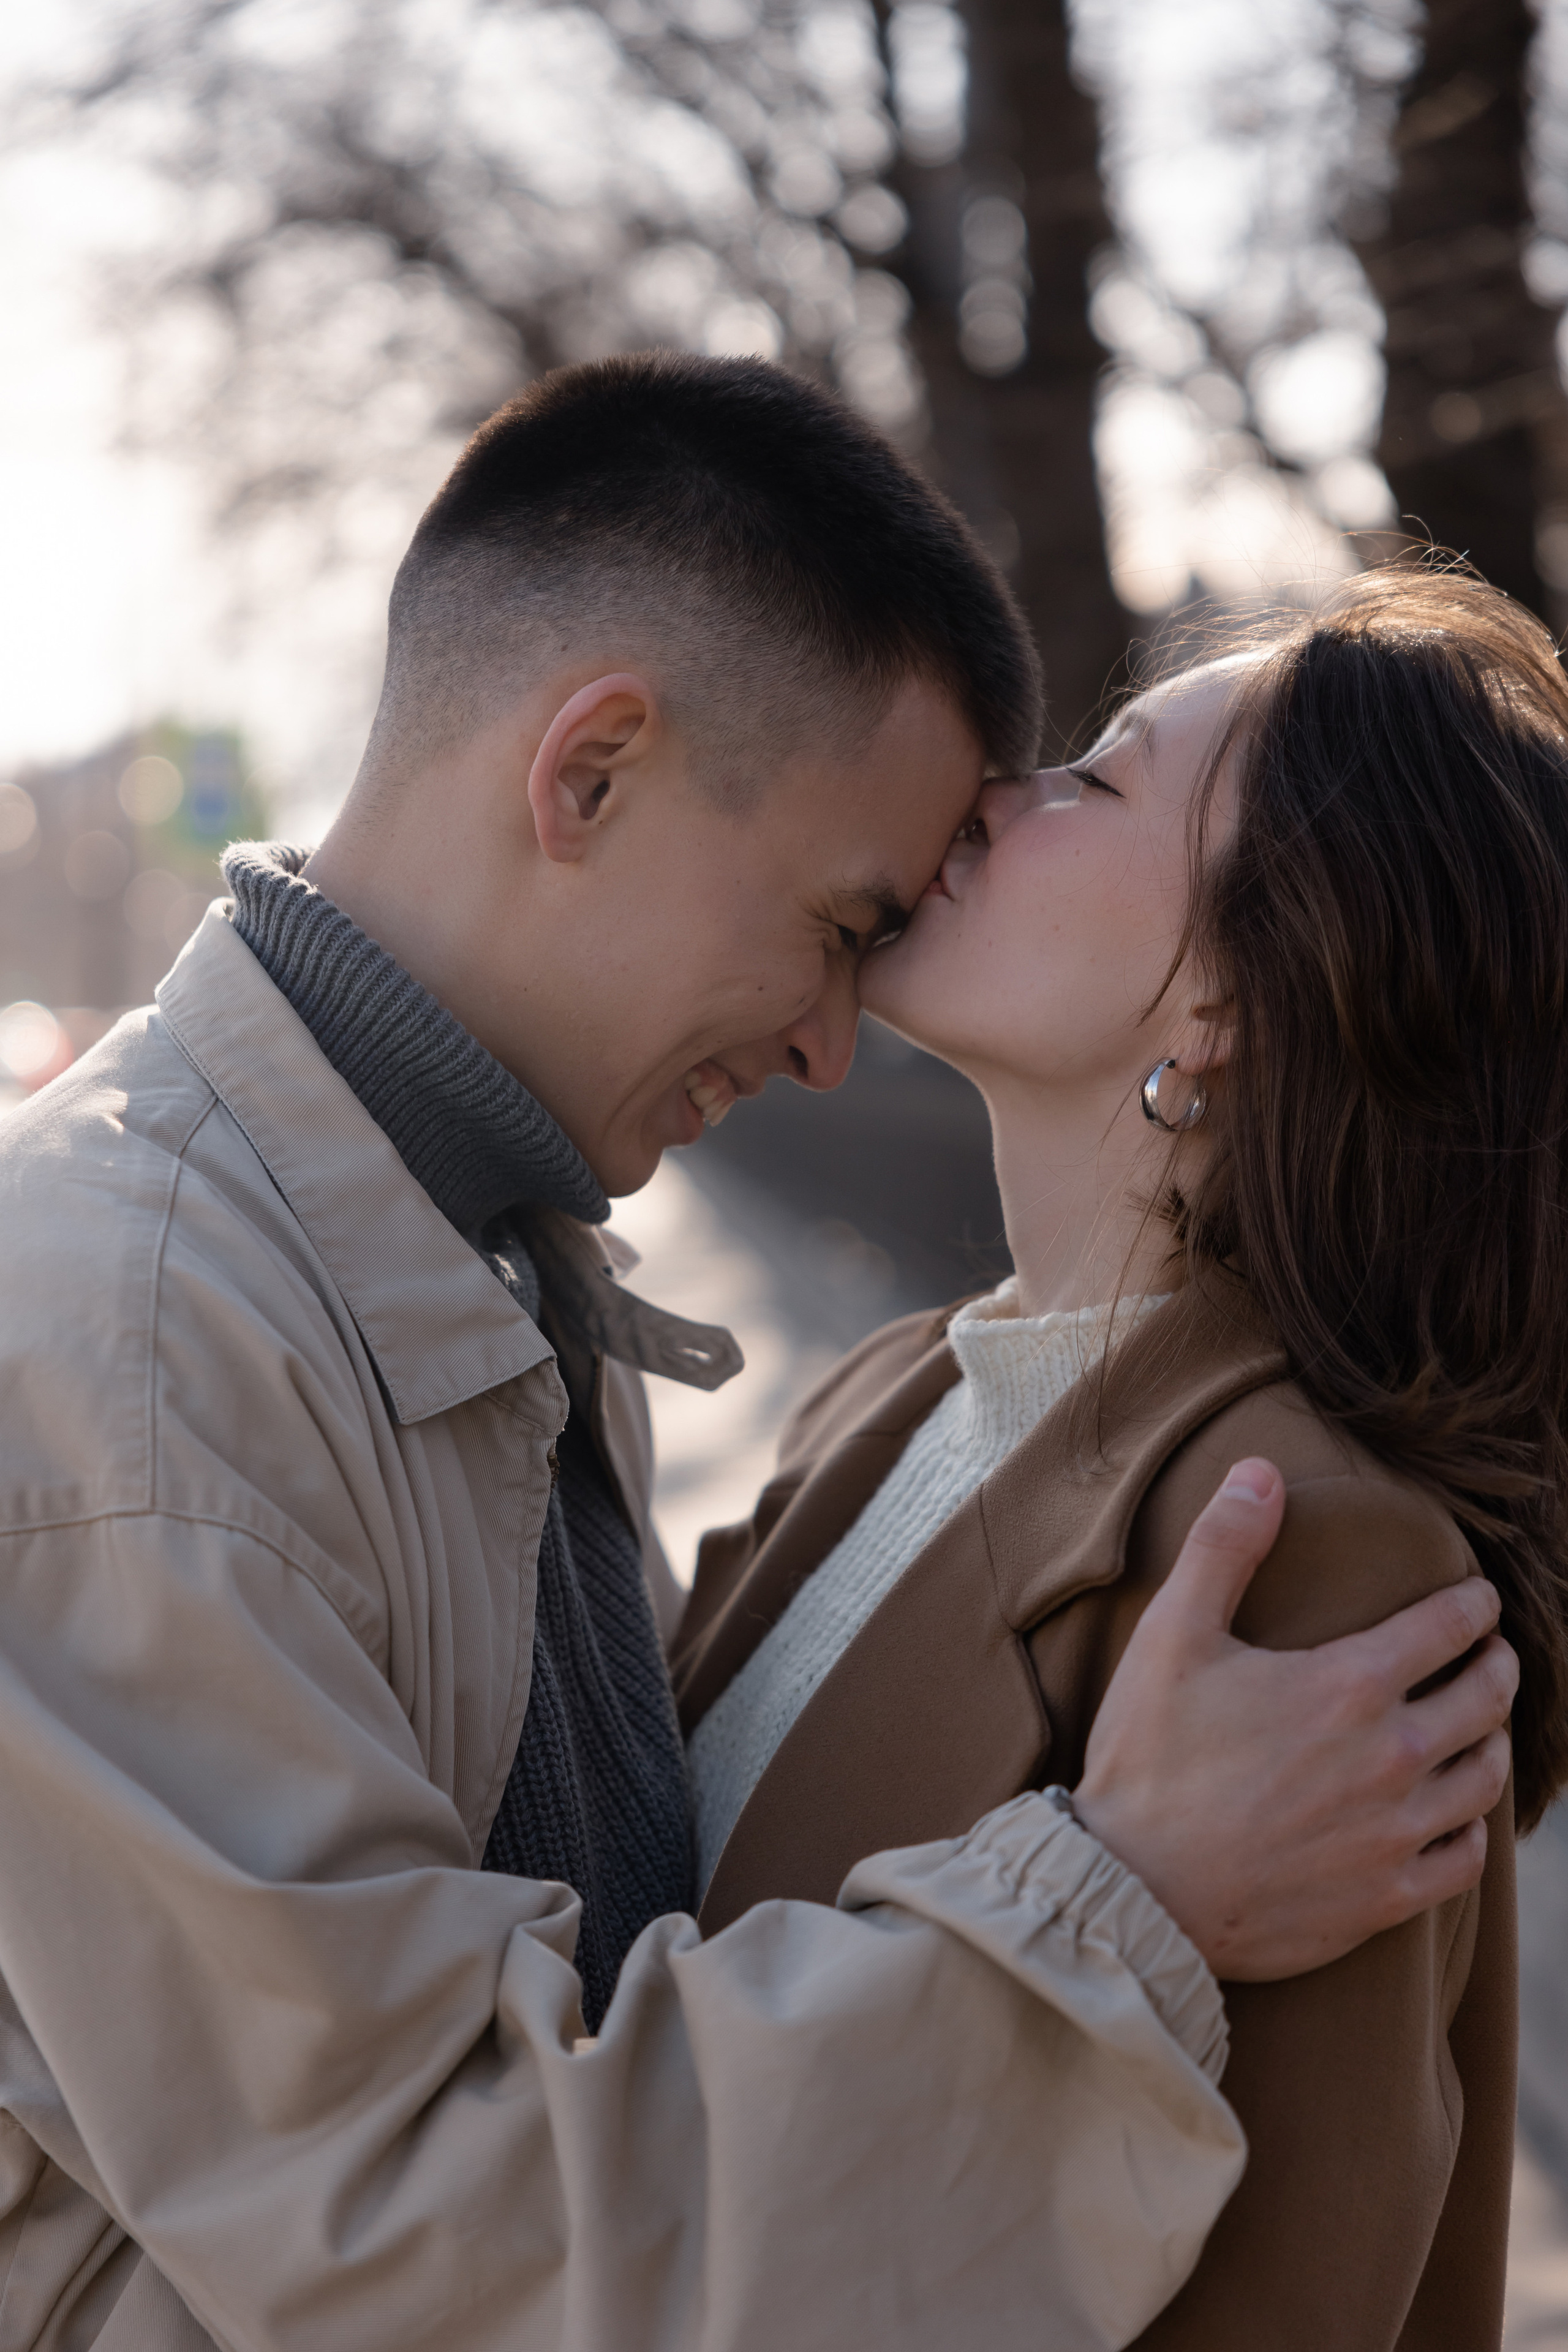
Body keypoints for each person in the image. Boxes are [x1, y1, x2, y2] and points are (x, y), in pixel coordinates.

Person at [0, 358, 1515, 2352]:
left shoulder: (502, 1265)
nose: (830, 1037)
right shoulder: (142, 1358)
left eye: (1097, 785)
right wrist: (1117, 1912)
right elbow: (417, 2227)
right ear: (591, 771)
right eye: (838, 912)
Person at [674, 564, 1568, 2351]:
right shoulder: (896, 1394)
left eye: (1095, 781)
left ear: (1233, 999)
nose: (995, 793)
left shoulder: (1307, 1560)